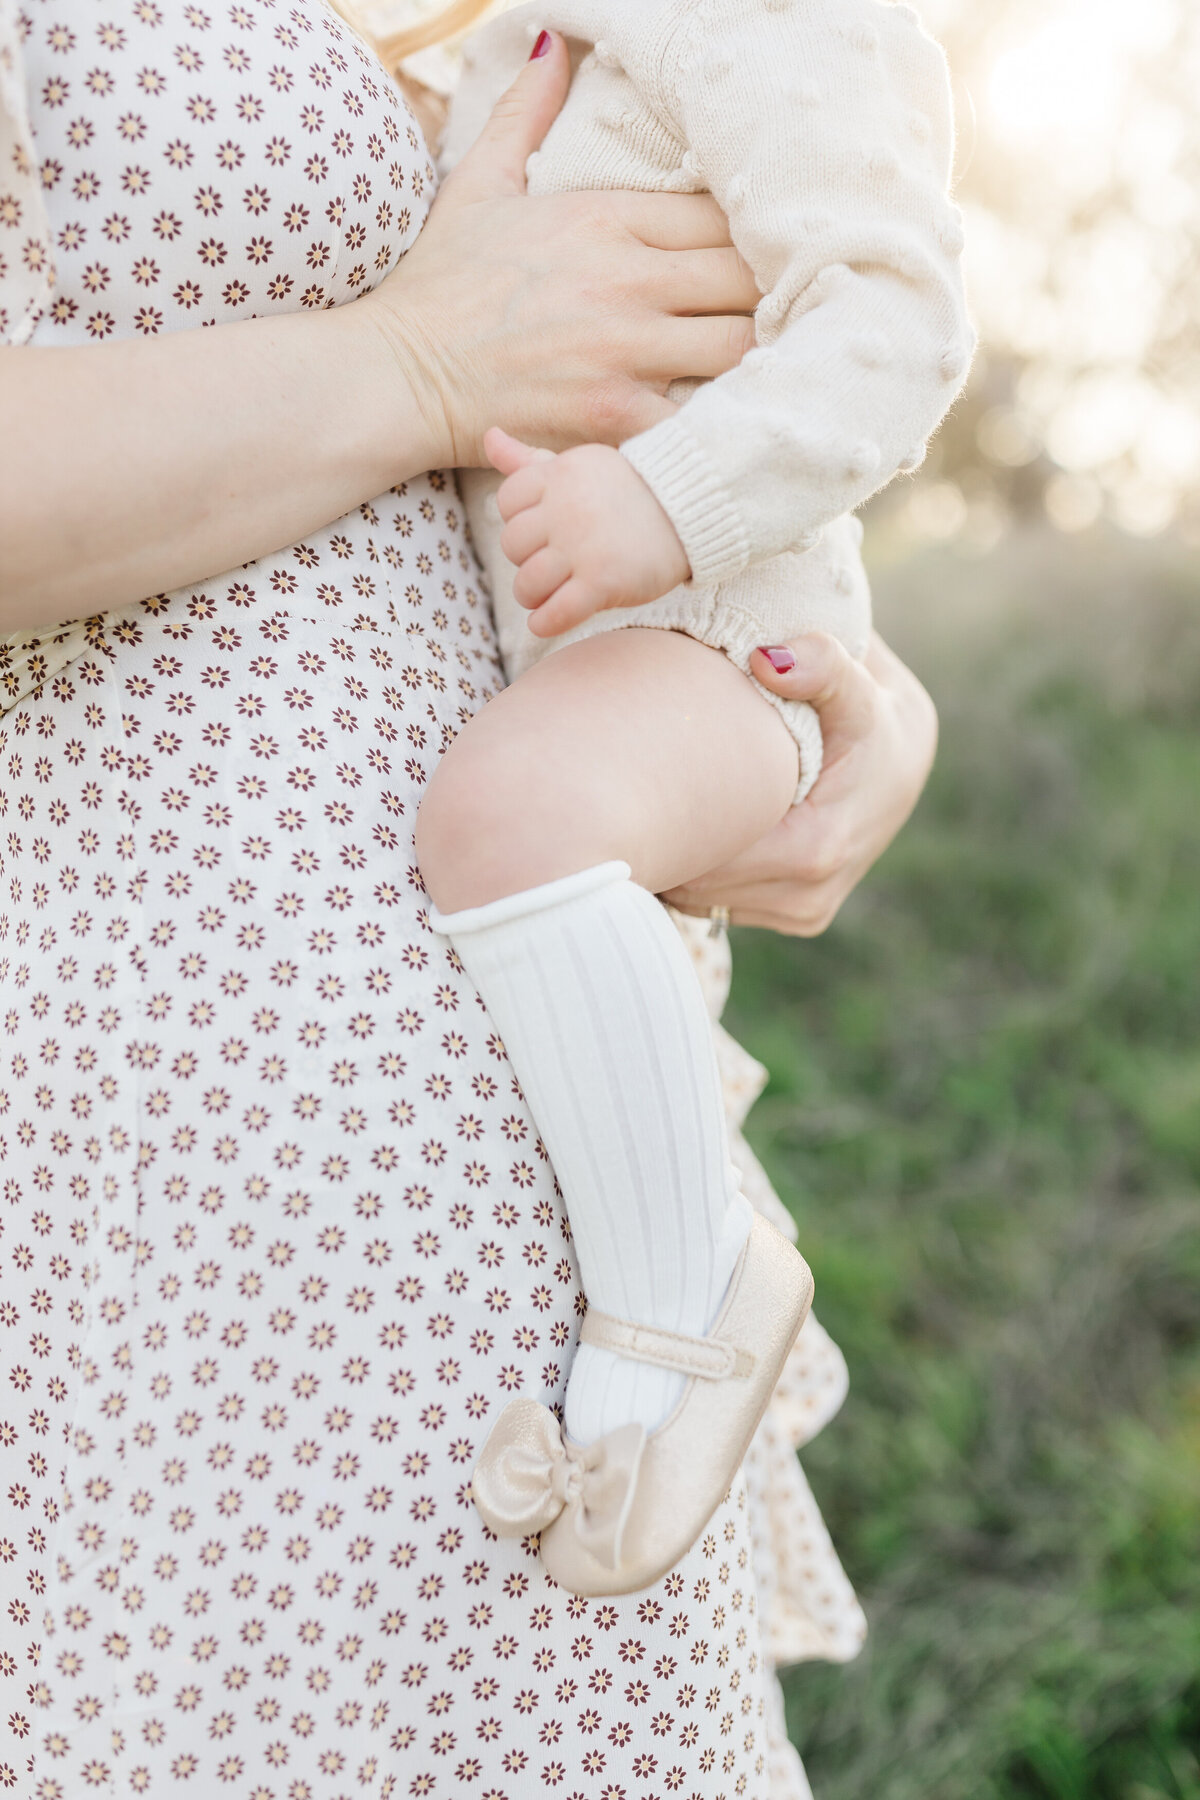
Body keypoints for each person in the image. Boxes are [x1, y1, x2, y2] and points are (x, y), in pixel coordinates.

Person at [0, 0, 934, 1791]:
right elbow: (459, 356)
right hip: (121, 1183)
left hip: (508, 1170)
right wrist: (421, 363)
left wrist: (831, 692)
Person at [415, 1, 971, 1595]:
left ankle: (686, 1294)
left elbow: (894, 312)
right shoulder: (511, 27)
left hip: (718, 637)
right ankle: (626, 1405)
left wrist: (670, 496)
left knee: (509, 814)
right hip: (604, 658)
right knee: (525, 818)